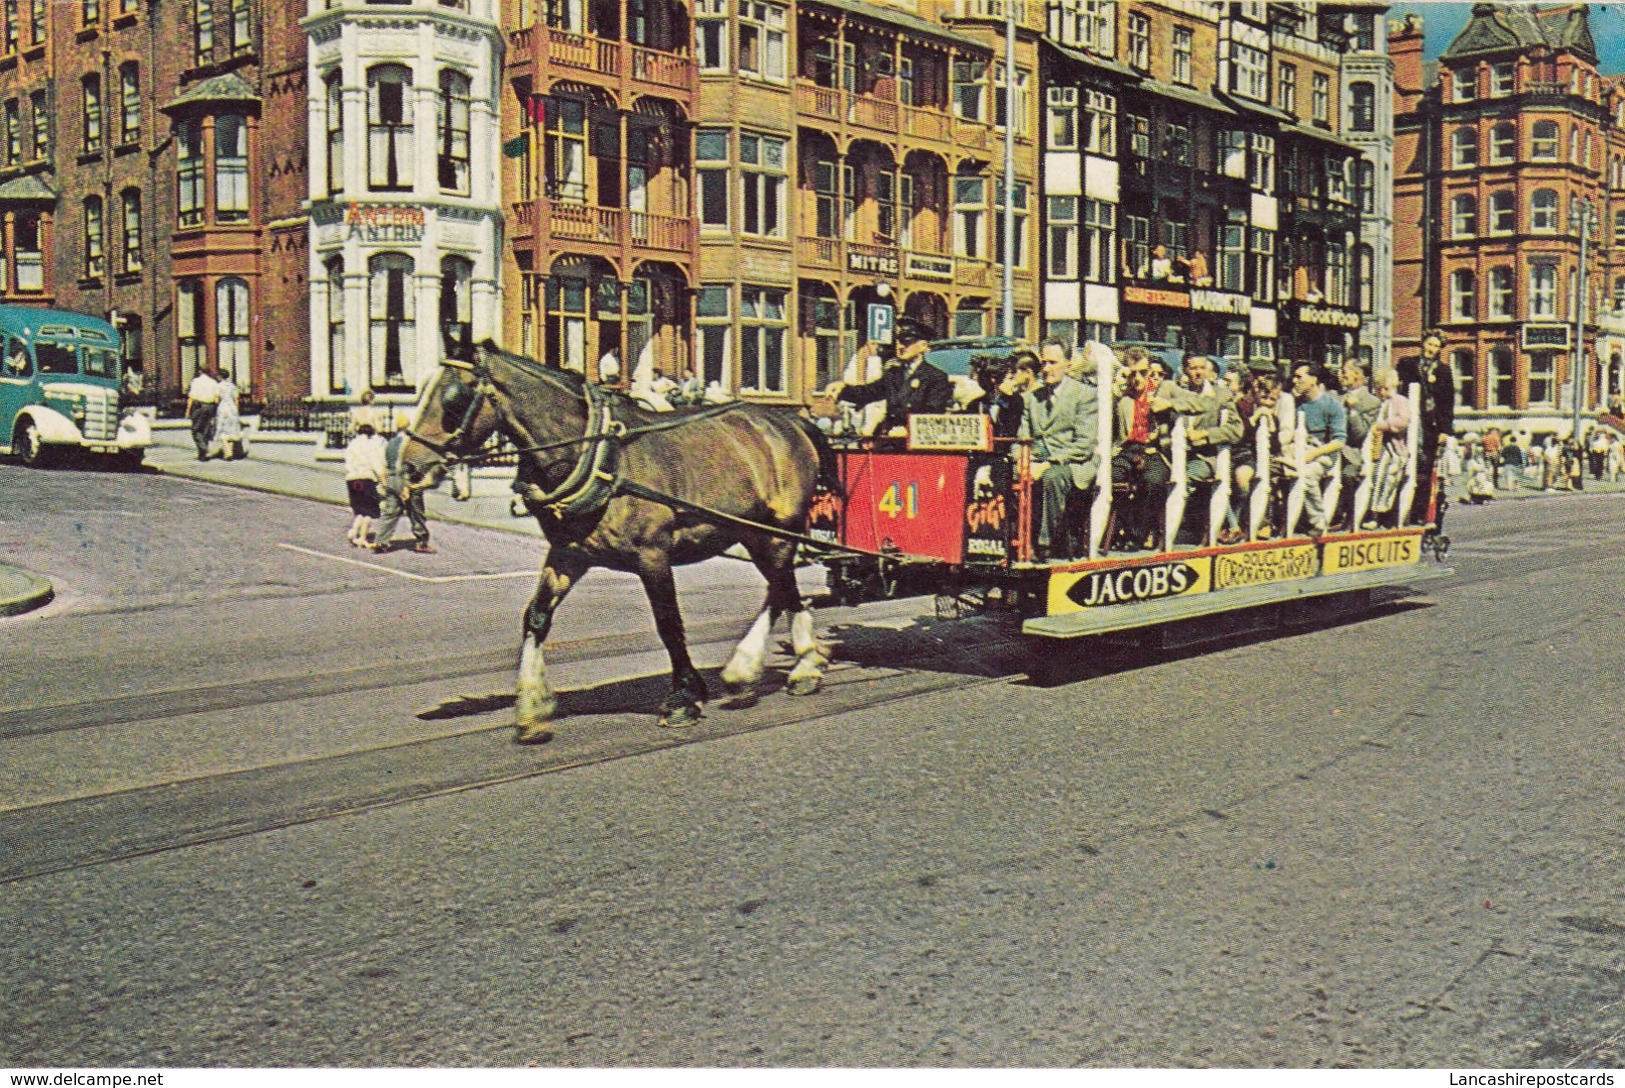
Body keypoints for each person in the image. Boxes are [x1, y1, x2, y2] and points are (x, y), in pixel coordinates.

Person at [1019, 337, 1101, 560]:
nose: (1046, 369)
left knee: (1052, 478)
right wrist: (1023, 462)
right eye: (1043, 363)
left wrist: (1046, 463)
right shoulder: (1031, 398)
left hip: (1074, 462)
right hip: (1036, 460)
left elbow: (1084, 445)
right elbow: (1022, 438)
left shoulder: (1084, 394)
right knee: (1005, 474)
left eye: (1053, 362)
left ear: (1068, 363)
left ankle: (1043, 543)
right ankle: (1009, 538)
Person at [827, 319, 951, 437]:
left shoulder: (936, 377)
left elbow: (932, 413)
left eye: (907, 342)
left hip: (919, 444)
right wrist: (843, 389)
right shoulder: (893, 374)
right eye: (899, 342)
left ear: (923, 346)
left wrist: (909, 429)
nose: (901, 347)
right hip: (891, 438)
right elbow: (868, 393)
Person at [1111, 346, 1175, 551]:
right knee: (1109, 477)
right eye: (1132, 373)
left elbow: (1194, 402)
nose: (1137, 378)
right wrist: (1116, 383)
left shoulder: (1162, 393)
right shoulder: (1122, 396)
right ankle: (1123, 528)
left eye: (1142, 372)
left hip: (1153, 450)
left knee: (1152, 481)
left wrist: (1170, 406)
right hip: (1128, 449)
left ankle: (1139, 534)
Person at [1396, 328, 1456, 526]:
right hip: (1408, 419)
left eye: (1436, 346)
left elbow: (1448, 402)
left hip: (1430, 425)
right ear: (1423, 343)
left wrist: (1445, 431)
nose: (1432, 349)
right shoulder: (1407, 364)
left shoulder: (1444, 371)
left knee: (1425, 468)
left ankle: (1420, 511)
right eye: (1430, 344)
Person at [1280, 362, 1346, 537]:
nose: (1295, 381)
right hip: (1299, 449)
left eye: (1299, 377)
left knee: (1307, 474)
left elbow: (1339, 441)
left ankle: (1318, 521)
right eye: (1294, 377)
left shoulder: (1331, 404)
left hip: (1322, 453)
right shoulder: (1297, 404)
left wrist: (1313, 454)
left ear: (1313, 379)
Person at [371, 429, 436, 554]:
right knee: (416, 511)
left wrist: (385, 481)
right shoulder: (411, 443)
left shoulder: (390, 443)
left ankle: (381, 541)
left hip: (391, 478)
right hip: (407, 479)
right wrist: (407, 484)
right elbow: (409, 465)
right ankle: (421, 542)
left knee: (391, 511)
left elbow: (385, 463)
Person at [1363, 368, 1412, 528]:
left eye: (1385, 388)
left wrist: (1384, 425)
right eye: (1380, 389)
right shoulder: (1382, 403)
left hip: (1393, 447)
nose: (1382, 392)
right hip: (1380, 446)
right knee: (1375, 476)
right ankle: (1372, 512)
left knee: (1386, 475)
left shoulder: (1399, 401)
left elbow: (1403, 421)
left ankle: (1379, 513)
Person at [1338, 359, 1382, 530]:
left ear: (1357, 374)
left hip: (1353, 453)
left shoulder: (1372, 402)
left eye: (1344, 371)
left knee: (1347, 475)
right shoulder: (1337, 397)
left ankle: (1351, 515)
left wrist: (1353, 411)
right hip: (1330, 450)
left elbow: (1359, 434)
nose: (1341, 375)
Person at [343, 422, 386, 546]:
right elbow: (376, 464)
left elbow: (348, 463)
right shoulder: (371, 445)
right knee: (369, 510)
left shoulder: (352, 445)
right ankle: (362, 537)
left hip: (352, 480)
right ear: (371, 434)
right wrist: (383, 481)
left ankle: (354, 531)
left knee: (360, 508)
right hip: (366, 478)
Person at [184, 366, 221, 461]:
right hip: (210, 406)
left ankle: (203, 448)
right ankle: (202, 452)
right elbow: (217, 399)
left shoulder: (196, 382)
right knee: (206, 428)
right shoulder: (213, 382)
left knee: (196, 429)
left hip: (199, 406)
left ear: (200, 371)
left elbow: (191, 397)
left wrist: (188, 411)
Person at [210, 371, 246, 460]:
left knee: (222, 430)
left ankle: (228, 453)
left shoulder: (218, 386)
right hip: (232, 409)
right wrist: (236, 411)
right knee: (231, 431)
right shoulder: (232, 386)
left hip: (223, 409)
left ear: (220, 376)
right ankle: (229, 452)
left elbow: (216, 399)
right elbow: (236, 399)